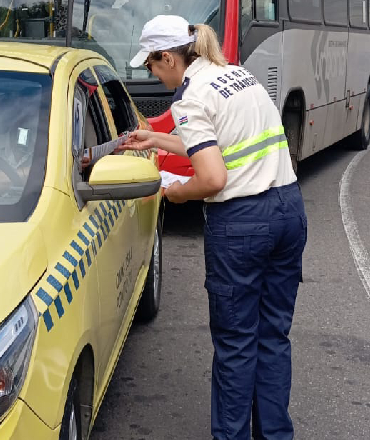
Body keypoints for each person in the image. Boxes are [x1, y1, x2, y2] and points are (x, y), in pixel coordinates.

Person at [121, 15, 307, 440]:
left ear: (167, 57)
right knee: (272, 336)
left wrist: (175, 193)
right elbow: (218, 139)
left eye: (150, 65)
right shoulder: (236, 74)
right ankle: (275, 435)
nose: (151, 73)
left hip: (242, 224)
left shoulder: (191, 99)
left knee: (236, 345)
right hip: (287, 209)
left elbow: (212, 178)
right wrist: (156, 139)